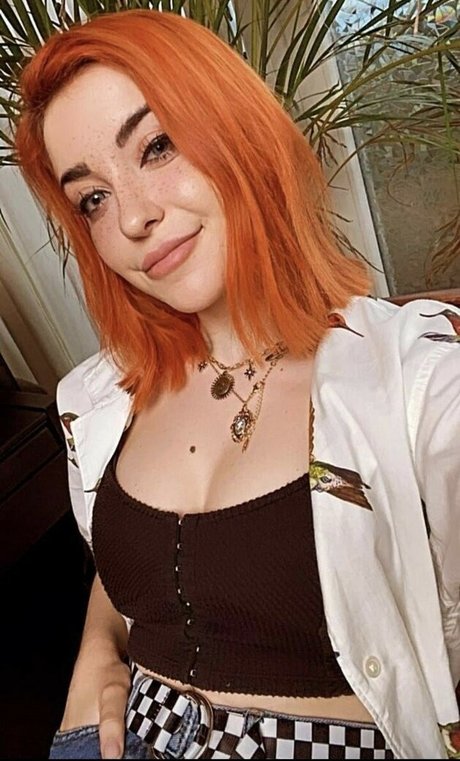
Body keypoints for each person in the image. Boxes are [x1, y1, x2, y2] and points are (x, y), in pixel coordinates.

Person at [14, 9, 460, 760]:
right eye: (93, 197)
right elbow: (129, 569)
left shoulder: (420, 384)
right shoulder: (95, 401)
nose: (134, 217)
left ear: (238, 130)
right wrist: (96, 651)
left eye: (157, 146)